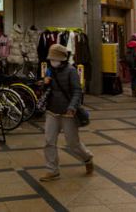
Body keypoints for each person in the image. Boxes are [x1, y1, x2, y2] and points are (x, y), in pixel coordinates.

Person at [40, 44, 93, 182]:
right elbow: (46, 89)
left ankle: (87, 158)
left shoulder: (71, 71)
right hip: (52, 111)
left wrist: (72, 107)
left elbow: (77, 91)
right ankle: (52, 170)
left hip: (68, 113)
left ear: (62, 59)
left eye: (55, 59)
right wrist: (45, 83)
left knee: (72, 143)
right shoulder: (50, 70)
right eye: (51, 59)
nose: (53, 61)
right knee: (49, 141)